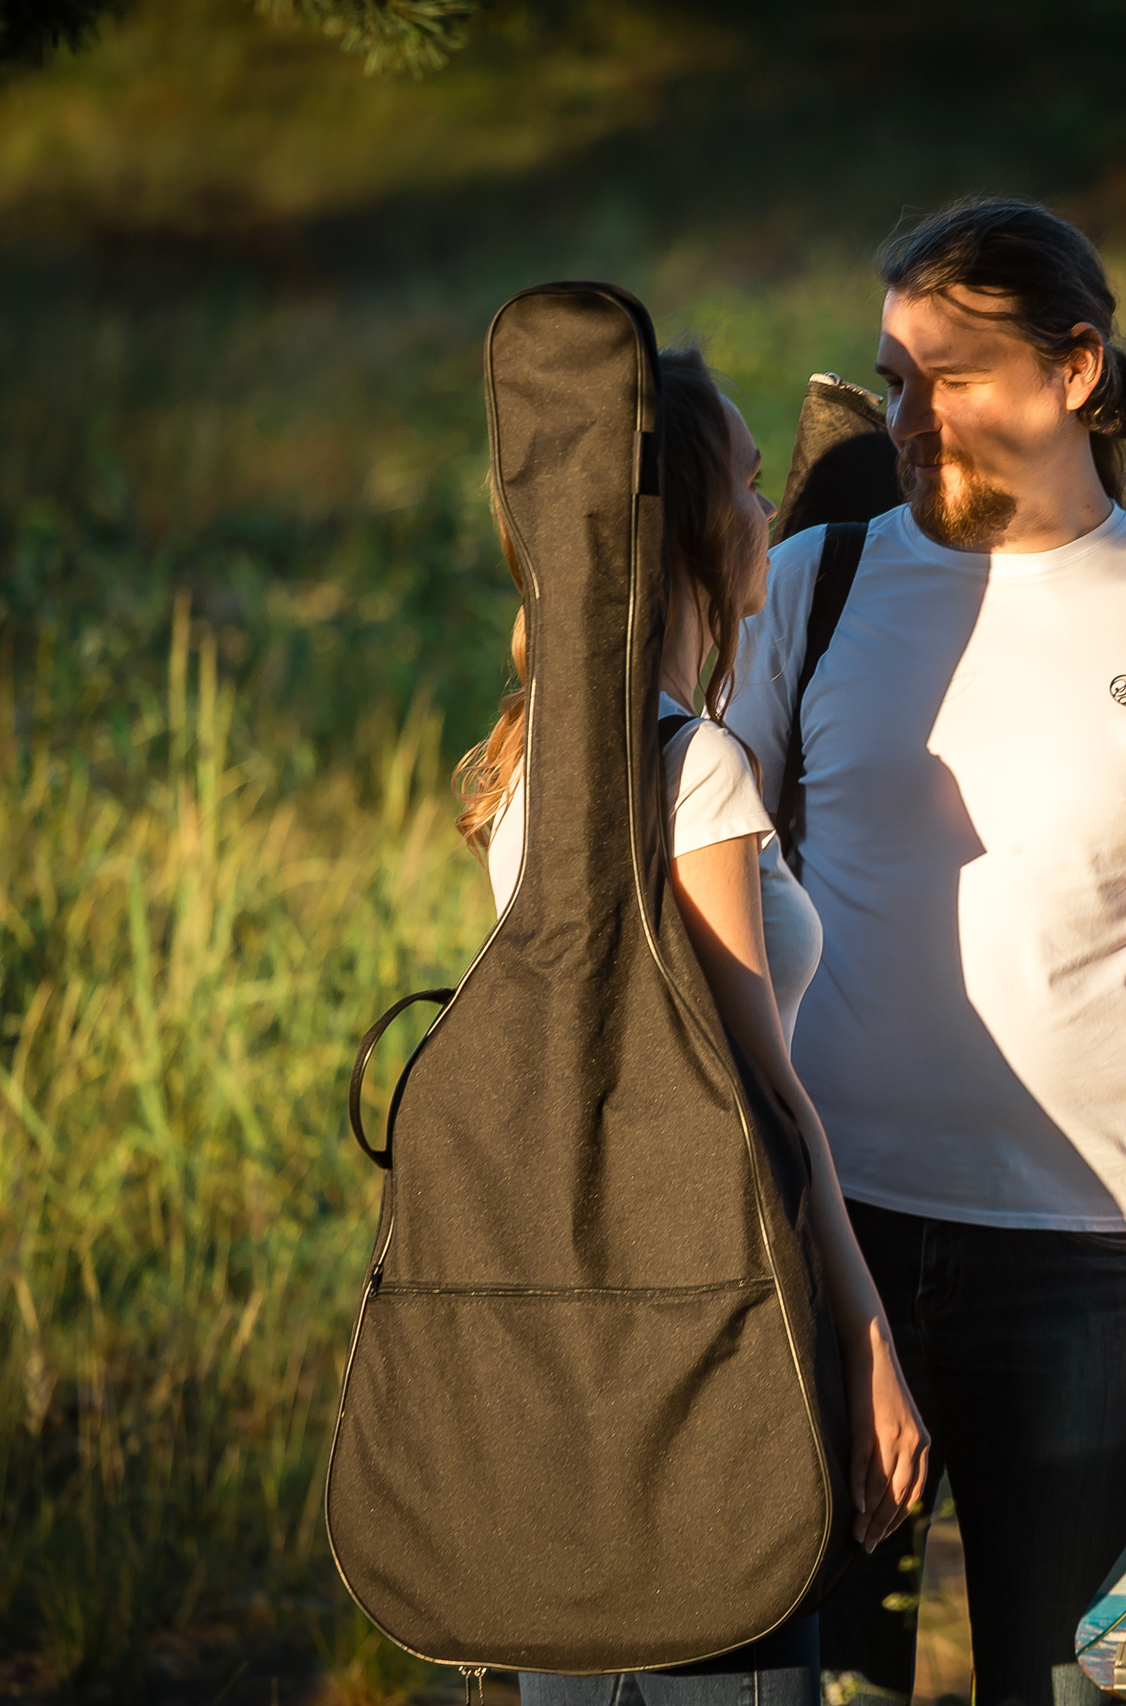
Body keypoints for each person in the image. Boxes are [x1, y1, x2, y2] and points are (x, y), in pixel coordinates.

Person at [726, 199, 1126, 1706]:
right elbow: (703, 881)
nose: (911, 414)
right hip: (827, 1232)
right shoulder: (818, 584)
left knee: (1070, 1689)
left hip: (1079, 1265)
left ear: (1076, 368)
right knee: (810, 1684)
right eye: (894, 374)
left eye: (956, 374)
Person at [455, 342, 932, 1706]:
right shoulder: (693, 766)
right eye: (747, 481)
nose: (768, 510)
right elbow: (764, 1099)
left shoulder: (539, 752)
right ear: (693, 526)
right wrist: (867, 1341)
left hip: (571, 1323)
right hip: (715, 1333)